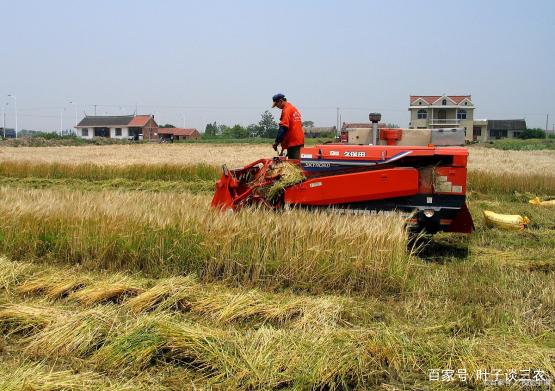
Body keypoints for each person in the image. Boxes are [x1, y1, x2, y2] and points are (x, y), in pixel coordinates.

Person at [271, 93, 304, 159]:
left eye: (276, 104)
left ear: (280, 101)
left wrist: (276, 142)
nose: (277, 107)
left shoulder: (286, 110)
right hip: (299, 140)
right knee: (297, 162)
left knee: (294, 164)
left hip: (293, 142)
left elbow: (283, 127)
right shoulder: (293, 108)